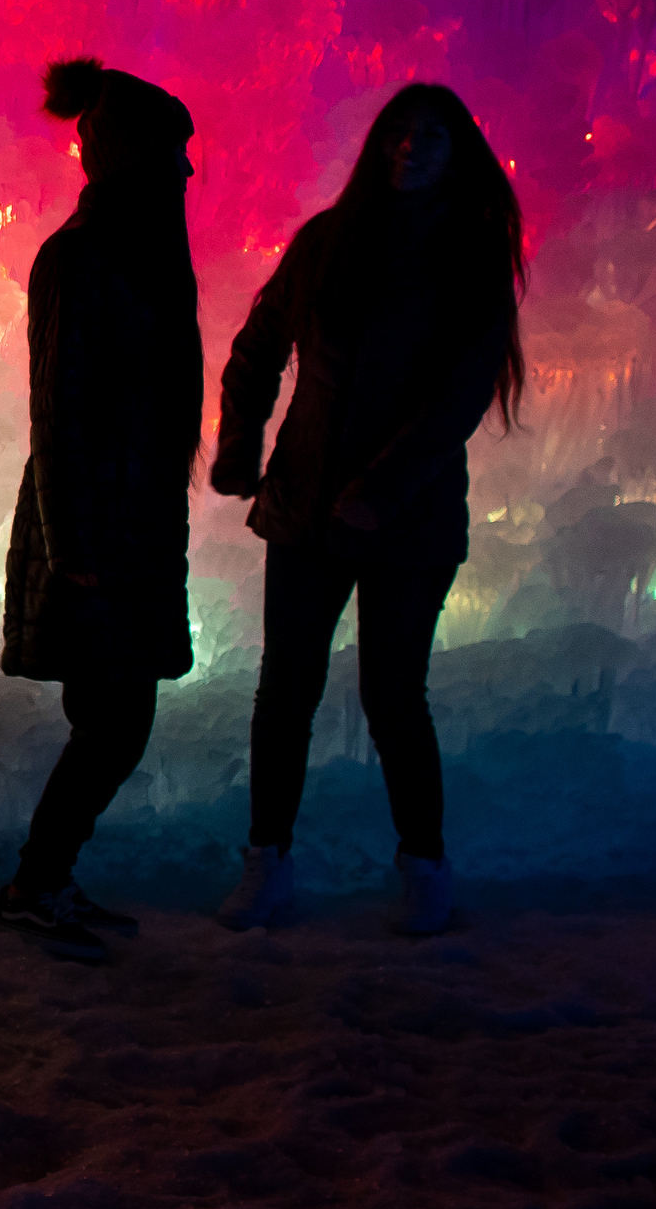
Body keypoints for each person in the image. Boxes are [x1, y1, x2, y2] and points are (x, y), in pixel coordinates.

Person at [209, 82, 526, 936]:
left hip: (409, 524)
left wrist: (378, 494)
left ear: (458, 153)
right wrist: (239, 446)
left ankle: (425, 867)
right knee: (286, 691)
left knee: (392, 696)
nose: (410, 147)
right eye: (398, 132)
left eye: (431, 135)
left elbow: (459, 401)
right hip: (307, 508)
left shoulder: (470, 260)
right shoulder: (328, 243)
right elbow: (259, 344)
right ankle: (266, 862)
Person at [0, 59, 204, 963]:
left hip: (132, 520)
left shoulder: (139, 252)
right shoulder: (84, 258)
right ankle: (36, 884)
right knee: (114, 722)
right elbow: (60, 403)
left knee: (113, 720)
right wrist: (73, 536)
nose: (187, 172)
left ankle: (43, 881)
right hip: (98, 523)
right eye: (171, 153)